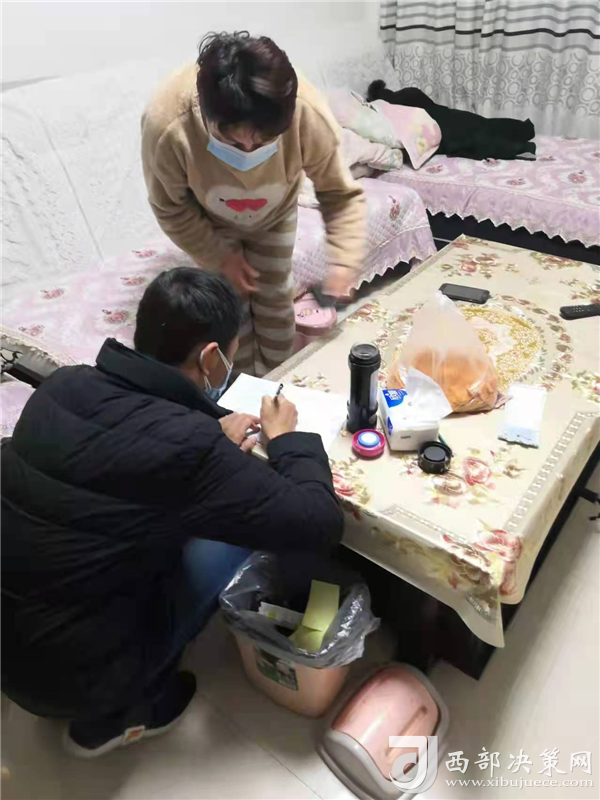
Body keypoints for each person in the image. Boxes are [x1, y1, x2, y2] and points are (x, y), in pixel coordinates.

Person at [1, 267, 343, 757]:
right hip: (79, 681)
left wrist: (208, 440)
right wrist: (288, 438)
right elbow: (319, 523)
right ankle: (120, 716)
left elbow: (121, 462)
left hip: (13, 647)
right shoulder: (190, 445)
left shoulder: (62, 385)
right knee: (236, 541)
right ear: (211, 357)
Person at [142, 31, 366, 377]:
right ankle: (239, 384)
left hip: (275, 212)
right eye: (233, 142)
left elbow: (340, 193)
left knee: (275, 296)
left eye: (263, 141)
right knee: (228, 306)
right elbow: (169, 207)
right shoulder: (167, 122)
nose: (248, 152)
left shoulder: (307, 113)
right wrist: (219, 255)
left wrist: (343, 261)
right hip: (207, 219)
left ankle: (278, 378)